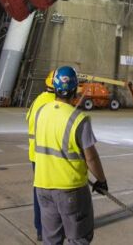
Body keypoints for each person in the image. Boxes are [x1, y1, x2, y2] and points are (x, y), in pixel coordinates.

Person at [34, 66, 107, 245]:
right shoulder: (79, 119)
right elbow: (91, 158)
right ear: (75, 89)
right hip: (70, 189)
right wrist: (101, 180)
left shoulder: (40, 112)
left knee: (51, 239)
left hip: (42, 186)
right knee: (79, 238)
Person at [26, 70, 57, 241]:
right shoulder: (54, 104)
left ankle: (41, 229)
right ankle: (52, 228)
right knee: (55, 194)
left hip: (35, 154)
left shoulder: (38, 99)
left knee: (40, 193)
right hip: (49, 156)